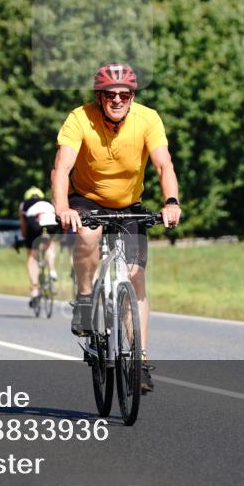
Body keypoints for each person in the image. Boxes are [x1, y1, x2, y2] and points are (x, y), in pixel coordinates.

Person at [52, 63, 181, 394]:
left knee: (136, 276)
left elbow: (164, 164)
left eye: (125, 95)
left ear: (132, 96)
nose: (118, 100)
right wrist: (62, 207)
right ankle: (84, 298)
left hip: (129, 205)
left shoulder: (147, 119)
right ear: (99, 96)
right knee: (88, 235)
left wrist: (171, 201)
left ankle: (138, 360)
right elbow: (62, 167)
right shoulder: (79, 118)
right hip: (86, 198)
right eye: (111, 95)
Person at [19, 186, 58, 308]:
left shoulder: (23, 205)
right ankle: (52, 270)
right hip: (51, 221)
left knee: (32, 257)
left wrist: (25, 238)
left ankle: (35, 290)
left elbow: (23, 224)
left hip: (34, 224)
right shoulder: (47, 201)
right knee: (49, 244)